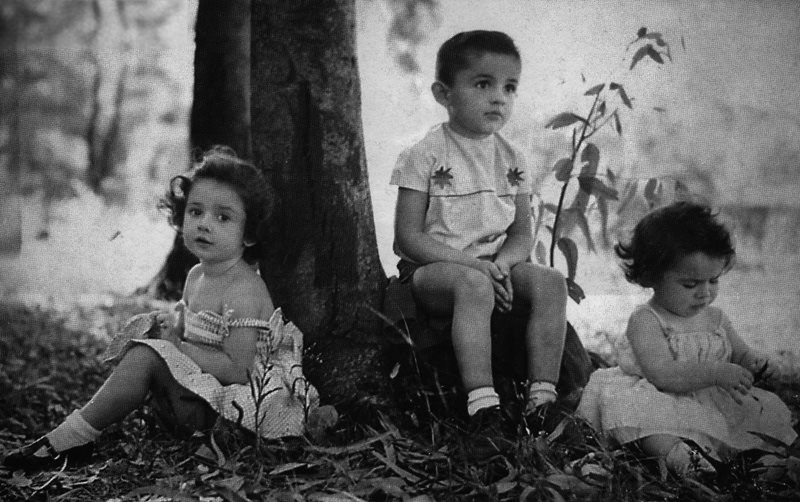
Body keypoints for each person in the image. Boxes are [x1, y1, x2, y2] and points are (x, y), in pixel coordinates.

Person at [4, 146, 319, 472]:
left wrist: (177, 347)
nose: (204, 224)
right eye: (195, 212)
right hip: (202, 400)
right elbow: (194, 334)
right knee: (147, 350)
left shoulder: (244, 290)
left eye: (222, 217)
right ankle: (76, 434)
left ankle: (73, 437)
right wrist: (171, 328)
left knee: (146, 357)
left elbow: (240, 371)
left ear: (249, 235)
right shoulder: (197, 275)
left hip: (237, 418)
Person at [390, 30, 568, 457]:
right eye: (483, 84)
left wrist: (503, 265)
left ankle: (541, 401)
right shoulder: (424, 154)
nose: (498, 98)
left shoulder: (512, 158)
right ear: (444, 94)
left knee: (551, 282)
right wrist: (475, 268)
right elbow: (408, 238)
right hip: (433, 271)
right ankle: (482, 407)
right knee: (473, 286)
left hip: (494, 265)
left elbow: (521, 233)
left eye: (510, 87)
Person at [577, 201, 797, 476]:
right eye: (690, 284)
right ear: (651, 276)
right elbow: (663, 375)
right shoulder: (646, 320)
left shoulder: (716, 319)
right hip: (659, 396)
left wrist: (755, 363)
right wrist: (715, 373)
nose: (704, 293)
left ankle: (759, 458)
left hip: (710, 400)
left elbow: (740, 354)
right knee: (642, 417)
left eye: (713, 280)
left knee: (753, 417)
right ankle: (680, 456)